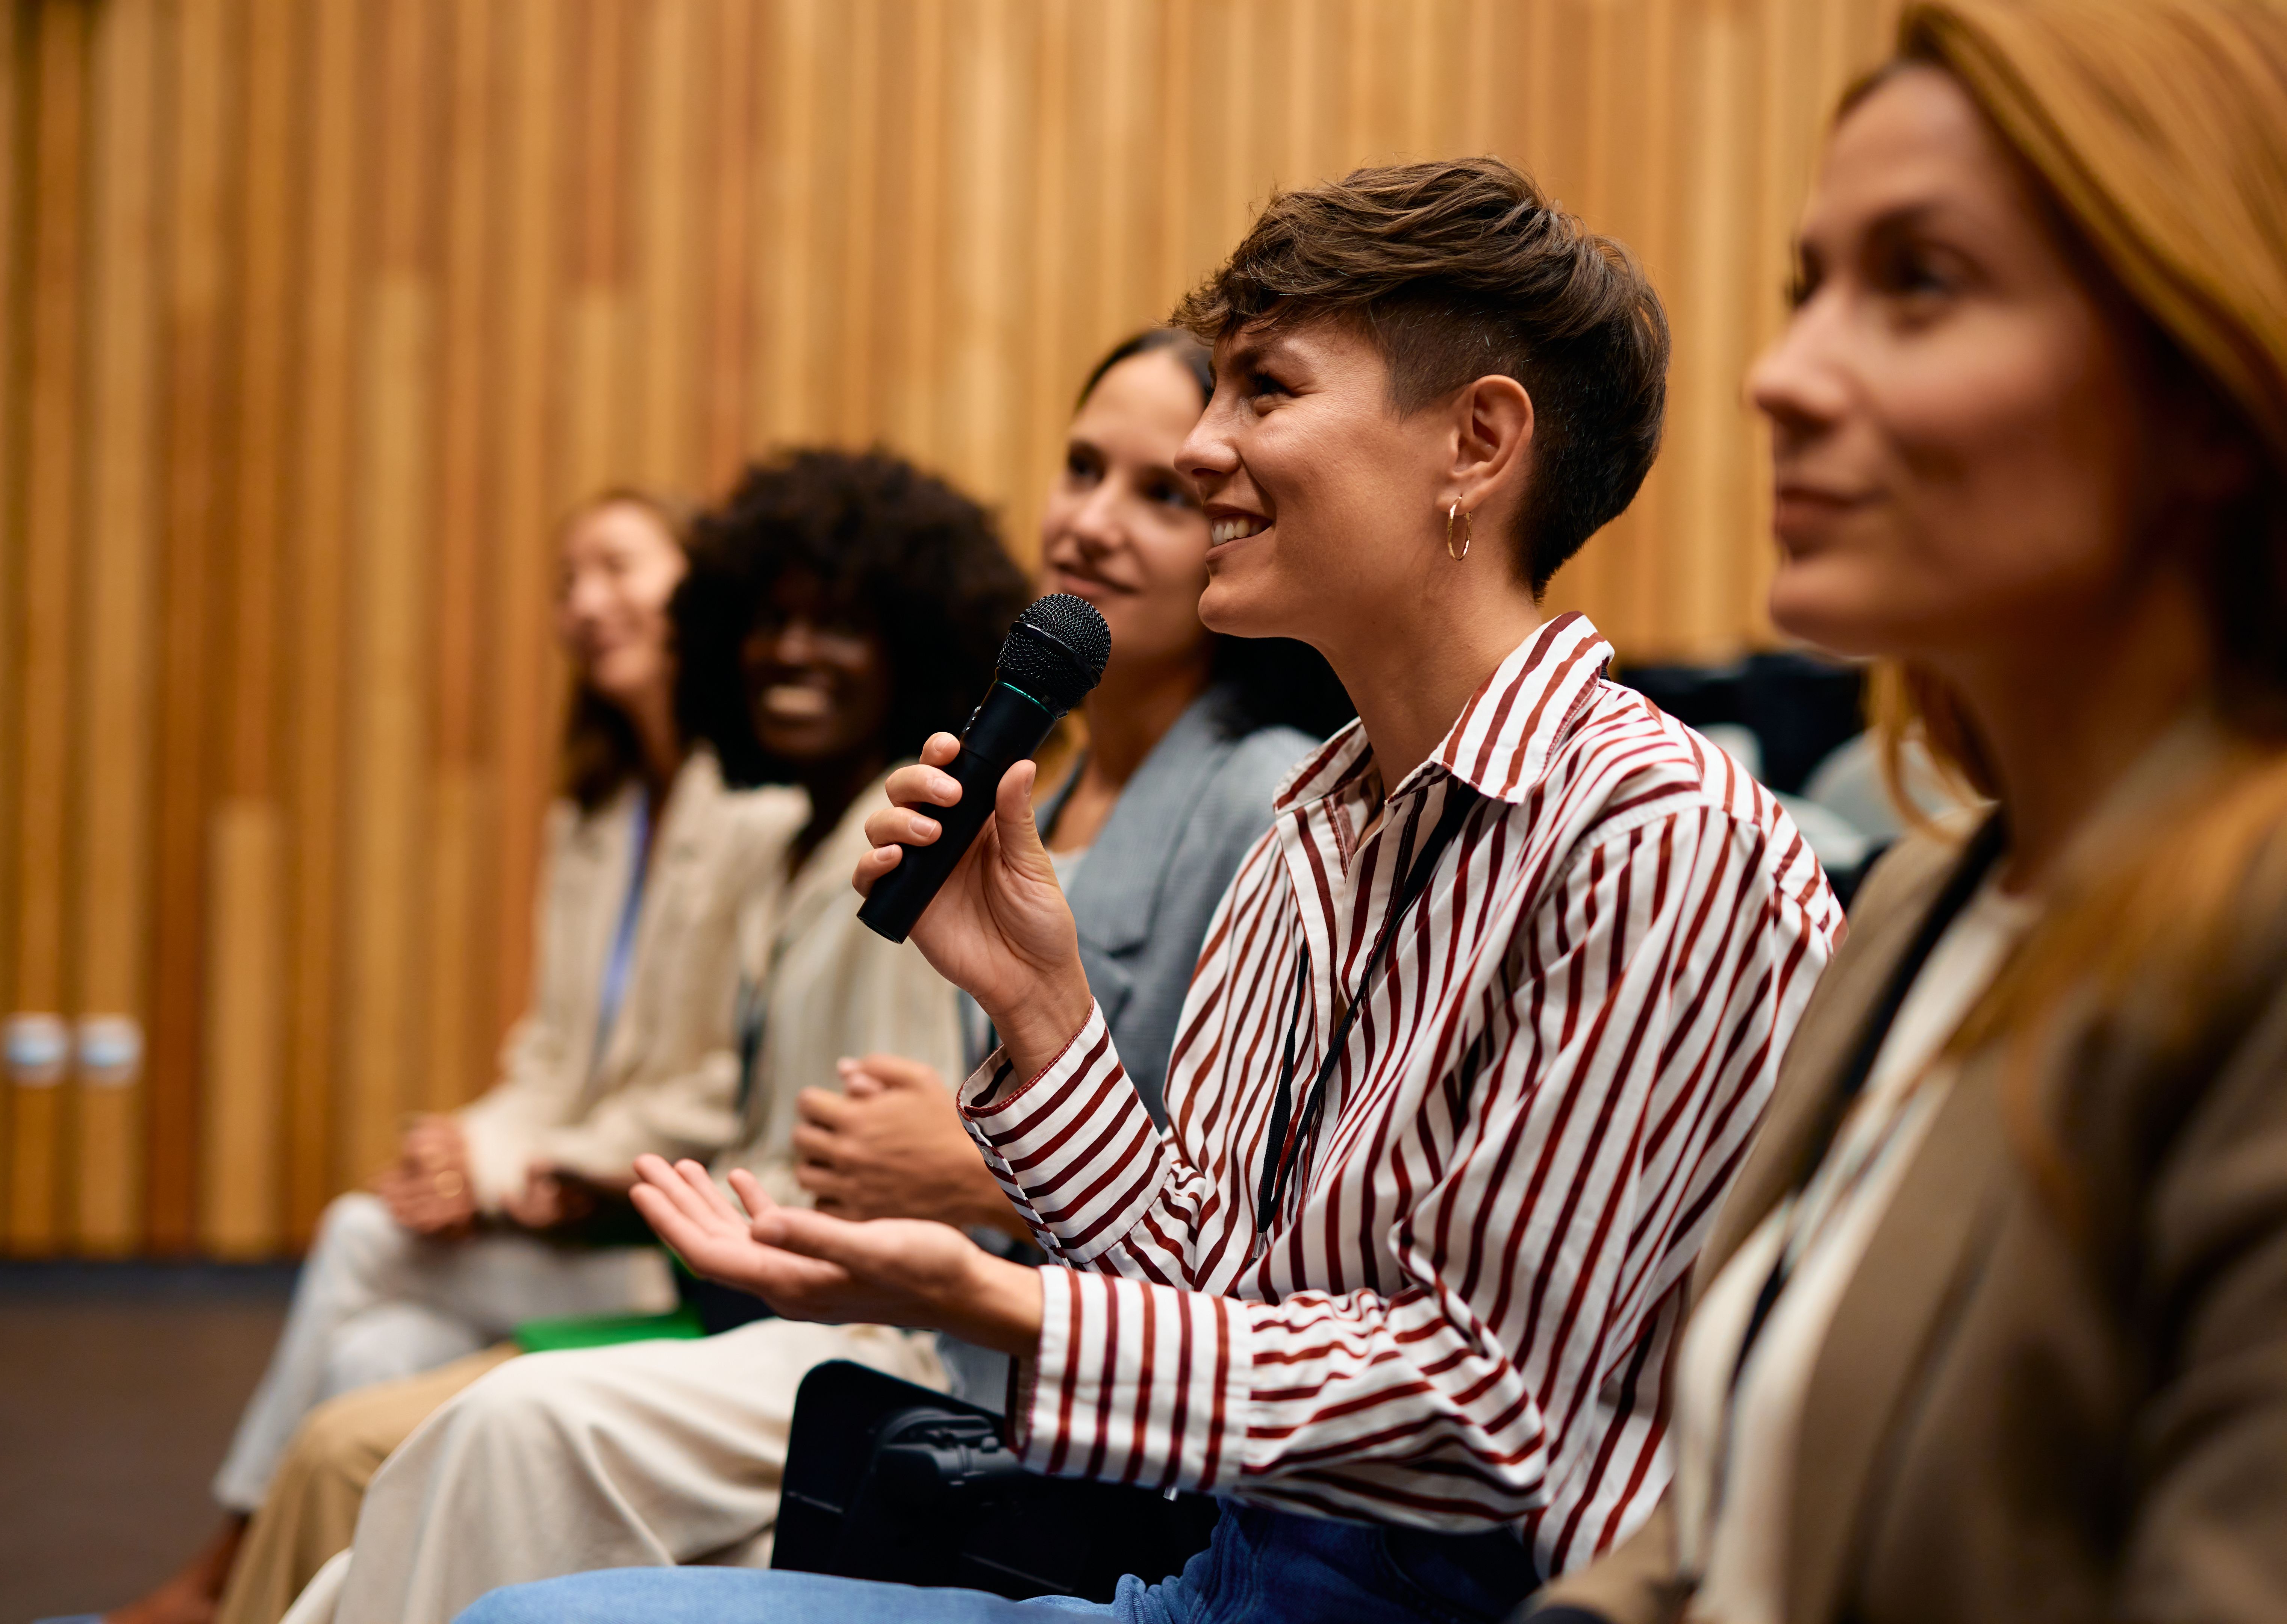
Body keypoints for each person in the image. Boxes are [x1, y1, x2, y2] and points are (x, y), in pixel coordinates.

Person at [531, 155, 1843, 1624]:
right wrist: (1041, 1006)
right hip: (1224, 1583)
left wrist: (993, 1299)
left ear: (1477, 442)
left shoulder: (1658, 841)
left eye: (1265, 392)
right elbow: (1216, 1283)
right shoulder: (1317, 829)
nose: (1204, 450)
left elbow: (1482, 1419)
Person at [283, 335, 1348, 1624]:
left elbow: (1269, 1213)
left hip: (1034, 1388)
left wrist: (967, 1171)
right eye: (1080, 471)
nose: (1092, 524)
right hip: (902, 1320)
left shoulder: (1265, 794)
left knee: (506, 1435)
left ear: (1237, 526)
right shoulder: (1043, 780)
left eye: (1163, 495)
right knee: (380, 1530)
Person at [1525, 3, 2287, 1621]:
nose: (1782, 377)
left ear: (2211, 383)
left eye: (1919, 286)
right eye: (1809, 292)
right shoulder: (1918, 905)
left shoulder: (2259, 955)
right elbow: (1718, 1525)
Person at [100, 492, 804, 1624]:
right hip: (547, 1203)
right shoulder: (596, 812)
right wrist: (465, 1148)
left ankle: (222, 1574)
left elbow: (719, 1089)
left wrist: (493, 1179)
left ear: (695, 593)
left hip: (646, 1240)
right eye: (568, 582)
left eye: (618, 566)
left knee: (357, 1233)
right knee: (376, 1348)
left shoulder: (763, 812)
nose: (587, 602)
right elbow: (550, 1057)